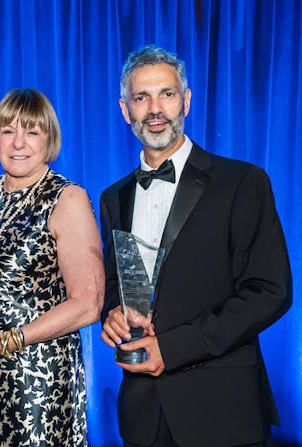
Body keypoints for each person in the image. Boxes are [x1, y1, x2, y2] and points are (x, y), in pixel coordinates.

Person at [100, 45, 292, 447]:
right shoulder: (113, 197)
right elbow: (120, 284)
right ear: (125, 110)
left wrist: (171, 348)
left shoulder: (242, 182)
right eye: (141, 97)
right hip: (143, 416)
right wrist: (112, 312)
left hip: (224, 411)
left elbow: (270, 292)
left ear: (186, 100)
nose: (155, 108)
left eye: (166, 94)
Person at [0, 88, 104, 446]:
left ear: (49, 140)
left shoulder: (67, 198)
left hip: (37, 379)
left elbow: (89, 303)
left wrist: (6, 341)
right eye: (8, 130)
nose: (18, 143)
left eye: (32, 131)